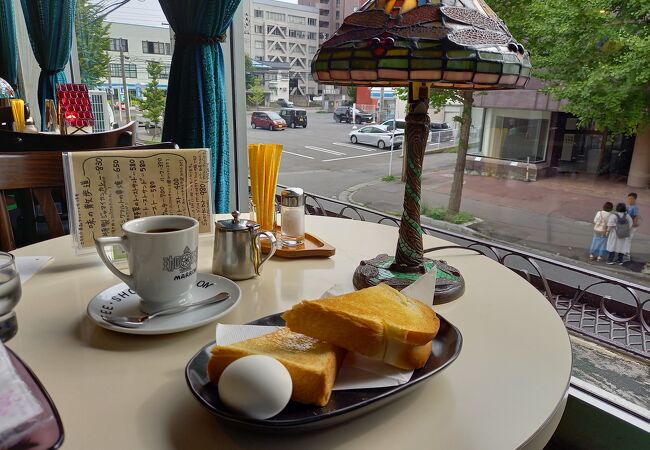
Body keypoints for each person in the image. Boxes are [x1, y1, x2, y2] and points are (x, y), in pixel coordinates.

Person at [624, 193, 640, 262]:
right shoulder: (629, 206)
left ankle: (627, 254)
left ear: (634, 199)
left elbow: (635, 217)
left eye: (631, 199)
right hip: (628, 225)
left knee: (628, 239)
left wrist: (631, 226)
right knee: (626, 239)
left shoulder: (635, 207)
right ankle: (624, 252)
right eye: (628, 198)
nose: (629, 200)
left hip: (631, 226)